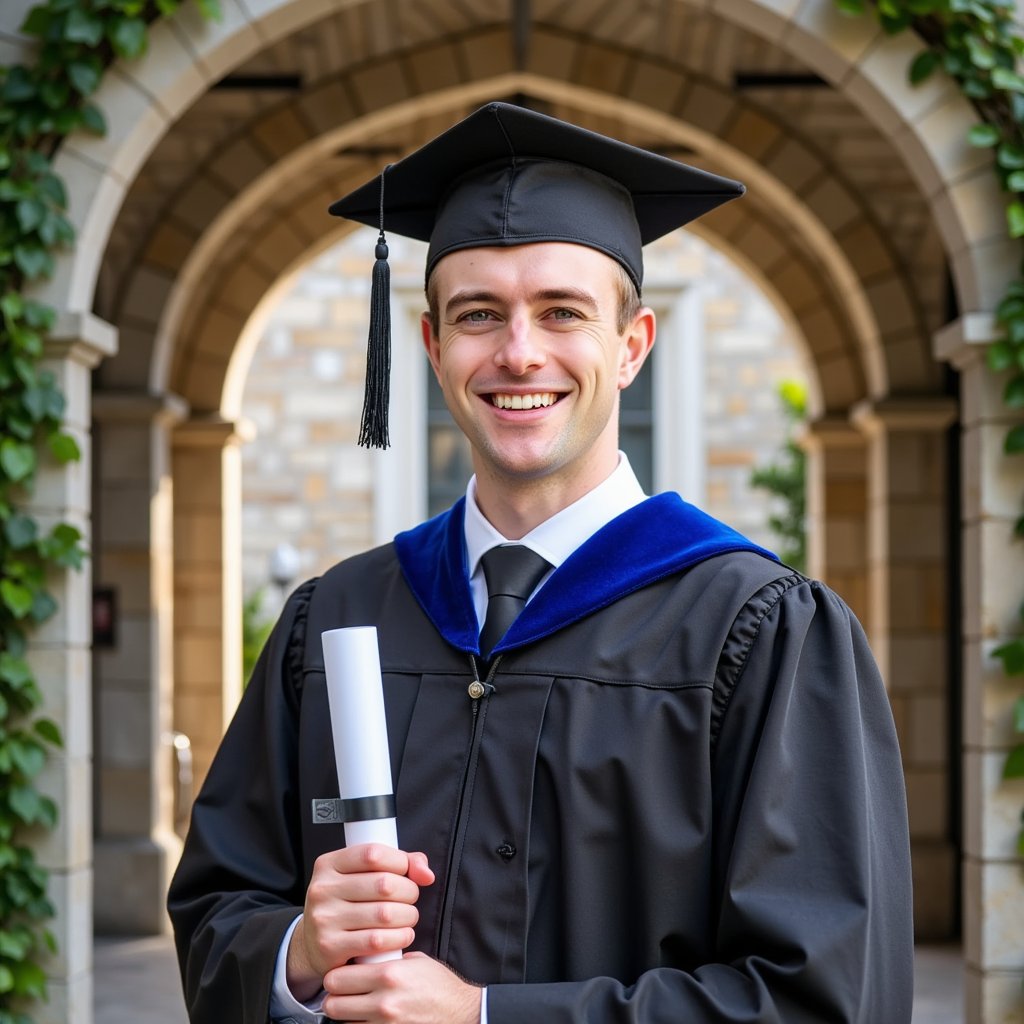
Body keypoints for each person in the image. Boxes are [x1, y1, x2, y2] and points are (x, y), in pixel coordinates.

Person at [167, 101, 914, 1024]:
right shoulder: (335, 620)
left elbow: (821, 997)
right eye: (479, 315)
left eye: (562, 312)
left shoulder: (758, 634)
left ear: (632, 345)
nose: (519, 354)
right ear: (435, 347)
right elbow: (215, 911)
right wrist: (297, 954)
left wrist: (486, 1017)